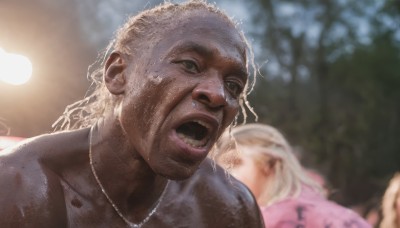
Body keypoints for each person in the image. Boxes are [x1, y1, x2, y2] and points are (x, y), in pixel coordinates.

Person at [0, 1, 264, 227]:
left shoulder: (230, 208)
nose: (218, 94)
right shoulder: (18, 186)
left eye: (233, 86)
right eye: (190, 65)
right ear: (118, 74)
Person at [215, 123, 371, 227]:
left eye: (234, 163)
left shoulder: (273, 220)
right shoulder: (341, 215)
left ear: (271, 163)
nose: (225, 175)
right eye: (220, 167)